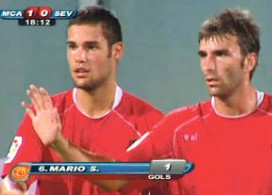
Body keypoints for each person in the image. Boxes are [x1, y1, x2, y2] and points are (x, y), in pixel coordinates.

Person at [4, 8, 272, 195]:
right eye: (203, 56)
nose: (208, 67)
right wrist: (57, 144)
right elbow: (117, 177)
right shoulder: (176, 128)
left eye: (220, 55)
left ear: (249, 61)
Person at [0, 5, 165, 195]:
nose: (79, 57)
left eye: (91, 47)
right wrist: (13, 189)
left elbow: (119, 179)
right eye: (73, 47)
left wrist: (59, 143)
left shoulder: (150, 124)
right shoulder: (44, 115)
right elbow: (13, 179)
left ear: (117, 51)